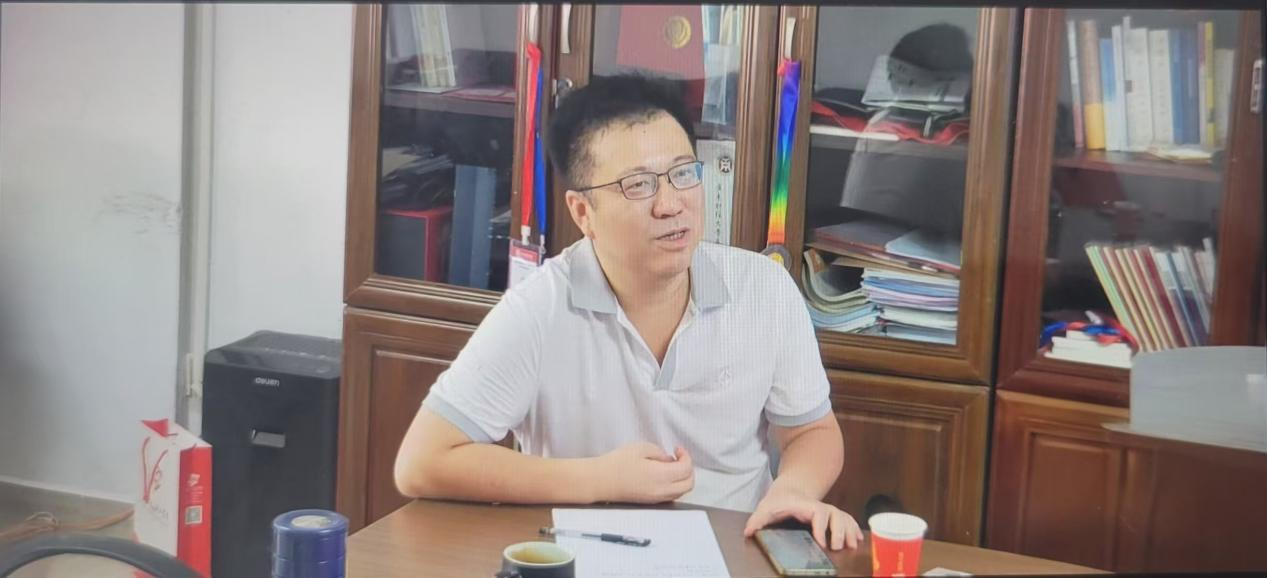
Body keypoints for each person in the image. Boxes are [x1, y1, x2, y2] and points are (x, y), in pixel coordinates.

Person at [393, 74, 863, 551]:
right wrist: (600, 479)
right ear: (583, 212)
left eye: (683, 173)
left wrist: (791, 493)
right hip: (587, 550)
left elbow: (812, 431)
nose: (671, 205)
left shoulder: (763, 289)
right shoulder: (538, 309)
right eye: (638, 185)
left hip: (734, 549)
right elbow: (422, 462)